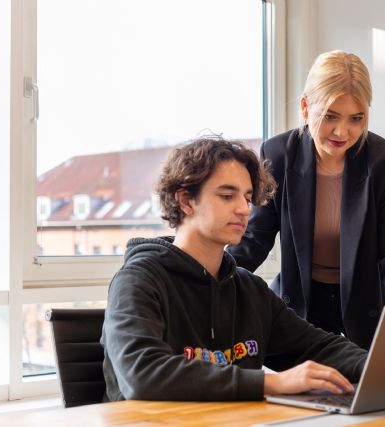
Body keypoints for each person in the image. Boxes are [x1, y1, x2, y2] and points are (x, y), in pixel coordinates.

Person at [100, 137, 367, 402]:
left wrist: (384, 366)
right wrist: (271, 383)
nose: (243, 209)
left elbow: (318, 347)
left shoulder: (248, 289)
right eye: (227, 196)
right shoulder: (138, 281)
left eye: (247, 198)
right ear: (185, 200)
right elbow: (143, 374)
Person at [227, 50, 385, 350]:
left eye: (356, 119)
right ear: (306, 107)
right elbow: (254, 240)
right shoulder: (277, 155)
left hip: (364, 307)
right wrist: (206, 283)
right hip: (300, 304)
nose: (342, 131)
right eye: (330, 116)